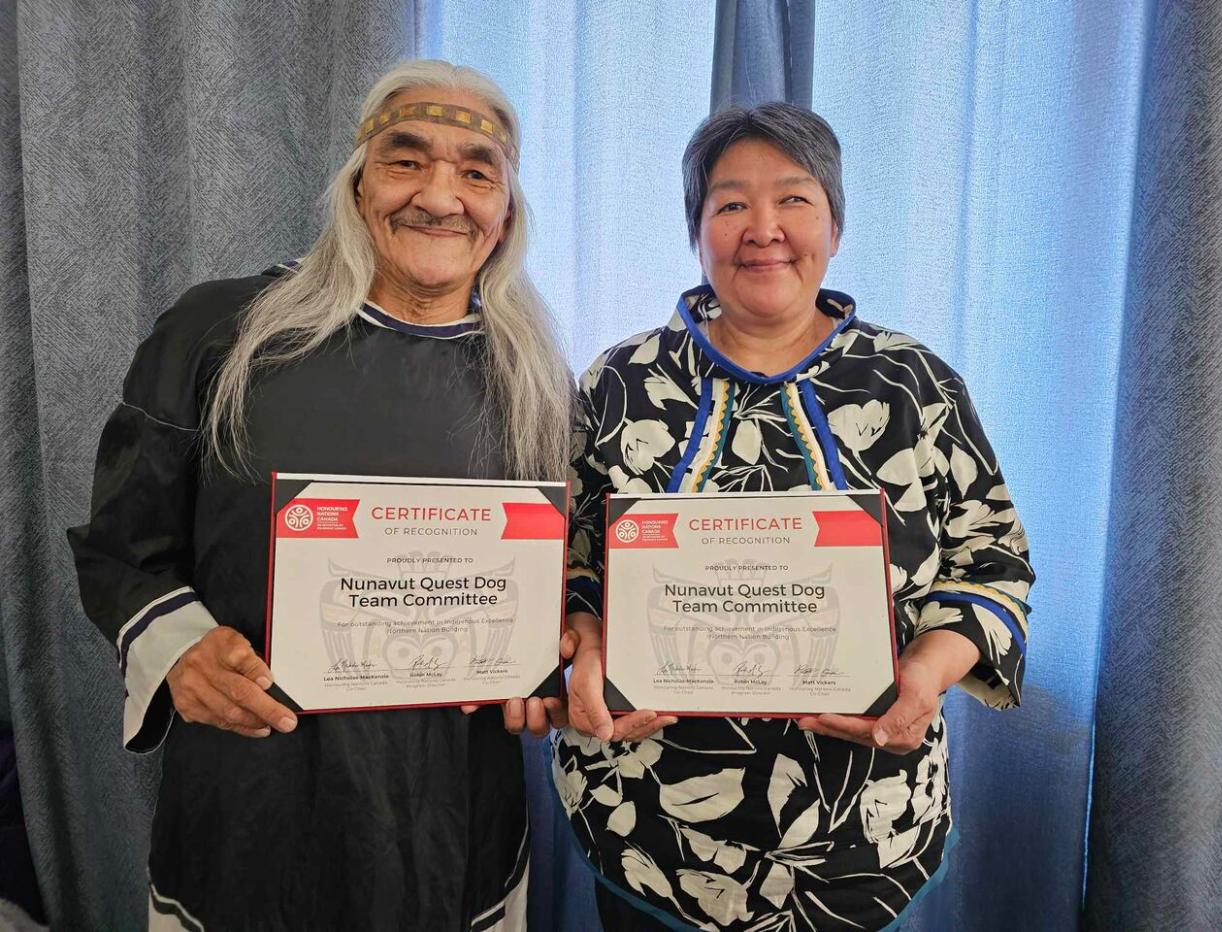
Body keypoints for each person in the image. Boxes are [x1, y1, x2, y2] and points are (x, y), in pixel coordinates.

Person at [68, 59, 570, 931]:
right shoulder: (219, 331)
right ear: (357, 184)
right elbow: (123, 546)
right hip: (252, 799)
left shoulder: (536, 380)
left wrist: (551, 650)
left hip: (455, 805)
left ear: (506, 213)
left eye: (475, 172)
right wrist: (181, 651)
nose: (440, 197)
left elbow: (561, 576)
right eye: (406, 160)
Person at [553, 102, 1035, 930]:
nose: (763, 228)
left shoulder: (915, 383)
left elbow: (991, 562)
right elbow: (570, 557)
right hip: (645, 818)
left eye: (795, 199)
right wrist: (585, 640)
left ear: (835, 225)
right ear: (697, 230)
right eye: (731, 204)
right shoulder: (619, 380)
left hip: (863, 826)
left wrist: (924, 676)